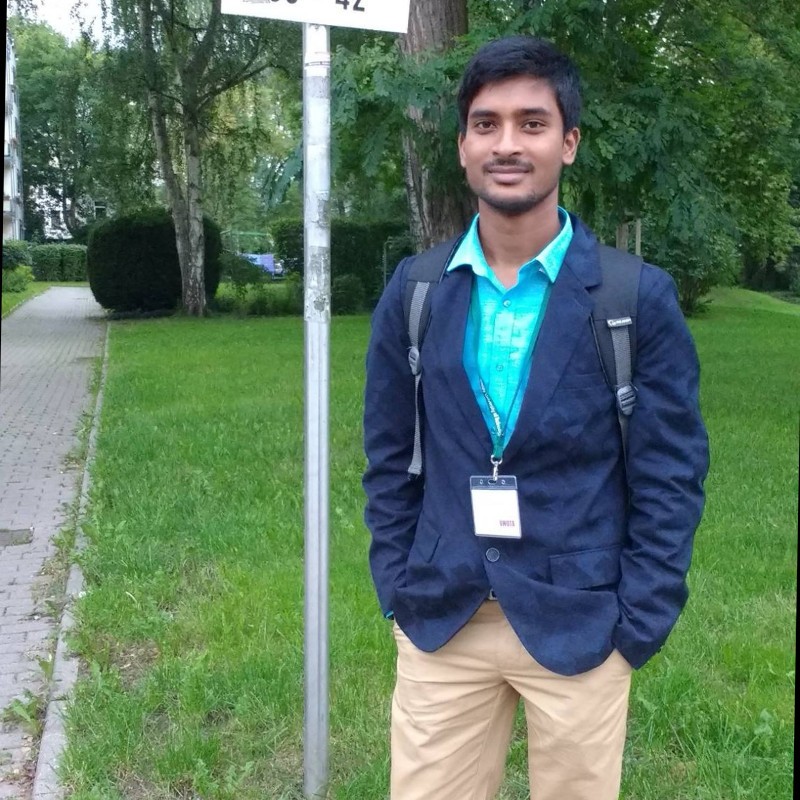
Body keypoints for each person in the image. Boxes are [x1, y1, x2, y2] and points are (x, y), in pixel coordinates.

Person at [362, 35, 709, 800]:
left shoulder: (633, 298)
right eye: (486, 124)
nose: (507, 144)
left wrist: (637, 622)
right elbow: (389, 458)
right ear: (462, 146)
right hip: (443, 618)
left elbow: (671, 476)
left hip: (583, 623)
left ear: (568, 142)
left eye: (532, 123)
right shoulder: (416, 292)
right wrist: (397, 584)